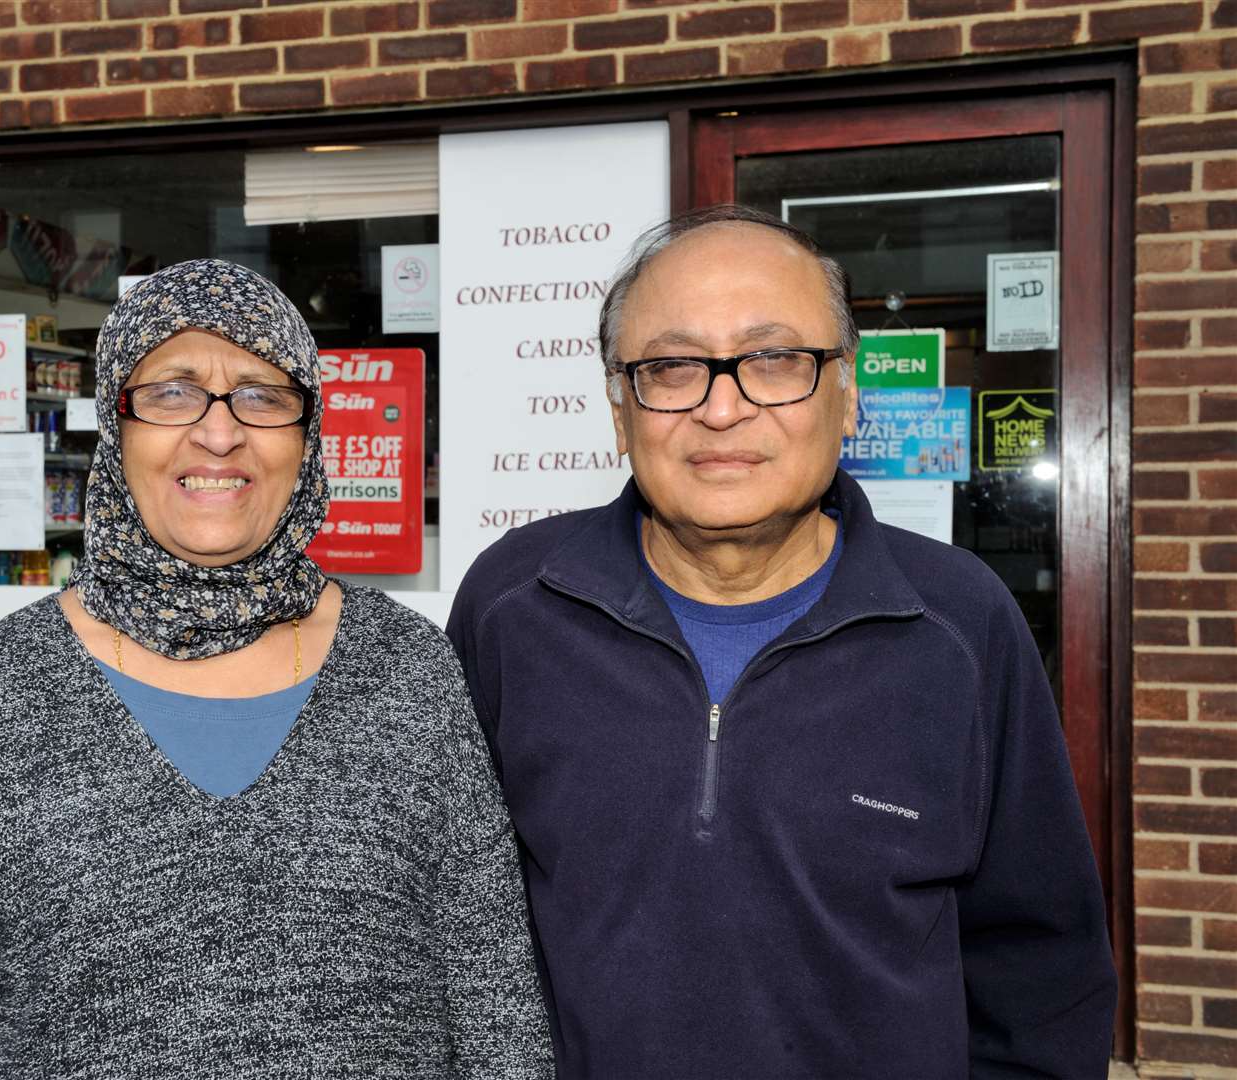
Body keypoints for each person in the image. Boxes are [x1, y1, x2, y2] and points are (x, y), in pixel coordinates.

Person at [0, 259, 552, 1079]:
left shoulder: (407, 668)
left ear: (306, 434)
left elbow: (491, 985)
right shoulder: (5, 691)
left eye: (261, 393)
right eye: (172, 391)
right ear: (117, 427)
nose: (219, 432)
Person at [448, 206, 1117, 1077]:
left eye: (772, 360)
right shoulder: (515, 603)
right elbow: (444, 920)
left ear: (847, 397)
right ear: (621, 411)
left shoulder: (957, 624)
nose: (721, 408)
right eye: (672, 366)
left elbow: (1040, 970)